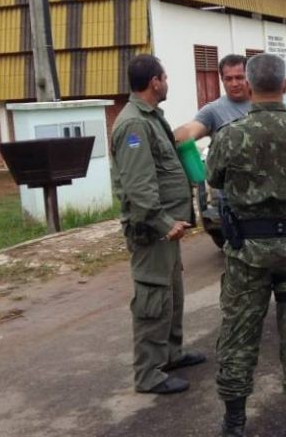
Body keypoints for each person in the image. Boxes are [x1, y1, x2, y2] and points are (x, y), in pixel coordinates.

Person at [207, 53, 286, 437]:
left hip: (247, 252)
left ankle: (234, 421)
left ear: (247, 86)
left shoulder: (229, 135)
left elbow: (214, 178)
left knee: (238, 333)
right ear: (285, 85)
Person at [109, 54, 206, 395]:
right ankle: (149, 373)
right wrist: (164, 222)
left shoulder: (150, 118)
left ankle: (171, 354)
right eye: (165, 77)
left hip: (166, 229)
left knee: (171, 295)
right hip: (152, 230)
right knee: (153, 298)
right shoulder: (134, 124)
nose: (167, 82)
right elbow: (139, 187)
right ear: (154, 82)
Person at [174, 54, 251, 142]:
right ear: (222, 80)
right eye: (228, 79)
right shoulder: (213, 111)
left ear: (249, 77)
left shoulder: (264, 103)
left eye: (239, 78)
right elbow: (189, 131)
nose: (234, 84)